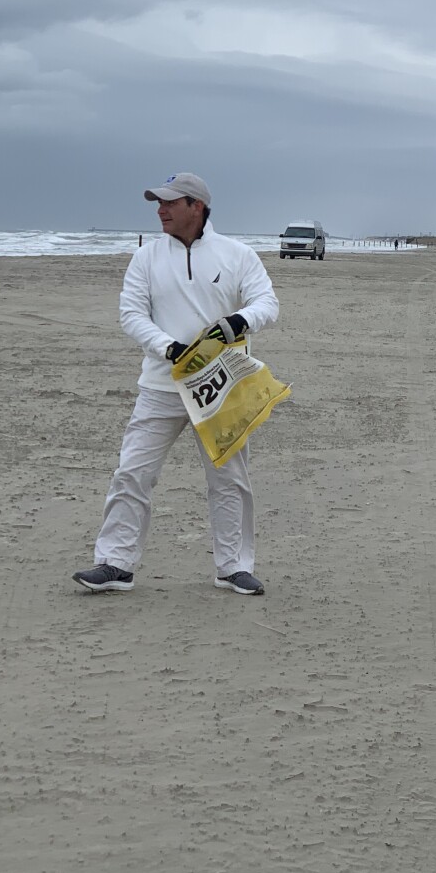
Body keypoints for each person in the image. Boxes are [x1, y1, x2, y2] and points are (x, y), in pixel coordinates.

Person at [73, 173, 280, 596]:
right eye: (158, 203)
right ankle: (116, 564)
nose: (160, 210)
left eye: (169, 203)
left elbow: (266, 302)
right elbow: (132, 315)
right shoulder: (146, 258)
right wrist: (169, 349)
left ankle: (233, 567)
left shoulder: (237, 255)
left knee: (230, 481)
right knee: (132, 472)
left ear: (197, 206)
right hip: (160, 386)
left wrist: (239, 321)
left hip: (220, 389)